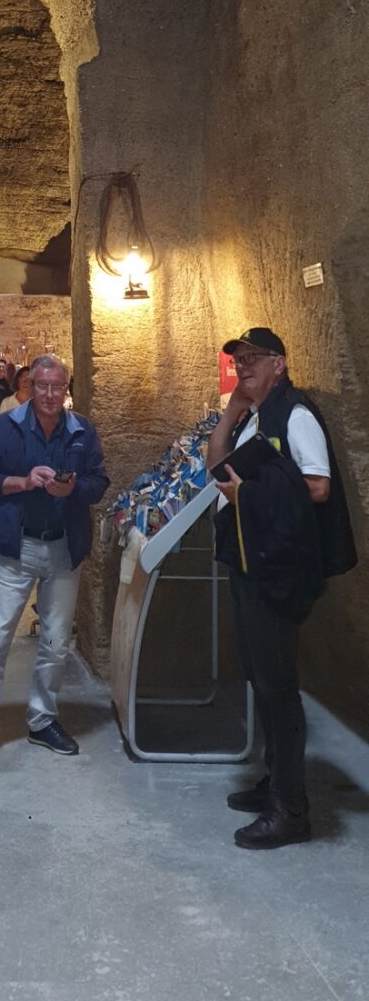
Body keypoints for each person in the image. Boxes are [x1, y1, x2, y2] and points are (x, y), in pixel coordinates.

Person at [208, 326, 357, 849]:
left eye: (255, 358)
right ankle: (276, 780)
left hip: (279, 570)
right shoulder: (255, 416)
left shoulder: (295, 415)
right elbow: (215, 464)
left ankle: (291, 810)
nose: (244, 366)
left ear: (280, 363)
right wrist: (231, 411)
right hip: (252, 561)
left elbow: (317, 486)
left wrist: (247, 494)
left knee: (278, 686)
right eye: (239, 359)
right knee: (260, 678)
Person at [0, 354, 109, 766]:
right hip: (19, 548)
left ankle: (42, 719)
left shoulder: (82, 431)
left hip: (64, 549)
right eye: (42, 386)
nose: (50, 394)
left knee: (55, 641)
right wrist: (22, 481)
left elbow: (99, 481)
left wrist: (72, 490)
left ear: (65, 389)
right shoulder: (6, 428)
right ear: (30, 387)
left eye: (58, 387)